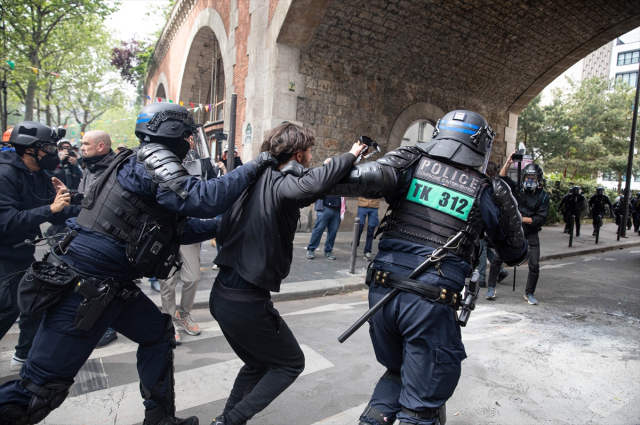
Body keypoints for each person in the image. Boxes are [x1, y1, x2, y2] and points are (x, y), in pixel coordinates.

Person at [0, 103, 277, 425]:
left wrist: (230, 223)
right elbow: (201, 199)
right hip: (85, 286)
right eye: (187, 134)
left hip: (112, 285)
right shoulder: (153, 157)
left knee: (158, 334)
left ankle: (160, 420)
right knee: (38, 393)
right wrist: (259, 163)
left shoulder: (140, 163)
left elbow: (180, 228)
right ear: (171, 131)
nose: (189, 141)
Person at [327, 110, 529, 425]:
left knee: (399, 371)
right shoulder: (485, 189)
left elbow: (347, 180)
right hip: (428, 305)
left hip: (381, 295)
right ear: (480, 145)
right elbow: (515, 253)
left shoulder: (409, 164)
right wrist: (504, 199)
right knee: (421, 408)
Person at [210, 122, 366, 425]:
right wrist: (350, 156)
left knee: (257, 364)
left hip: (224, 296)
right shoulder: (284, 183)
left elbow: (307, 187)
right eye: (309, 152)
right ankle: (229, 422)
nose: (311, 157)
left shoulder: (257, 179)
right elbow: (310, 185)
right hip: (244, 300)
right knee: (290, 363)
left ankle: (225, 418)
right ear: (298, 155)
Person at [0, 122, 81, 372]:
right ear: (29, 150)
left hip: (22, 252)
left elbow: (58, 213)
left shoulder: (37, 175)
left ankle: (23, 357)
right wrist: (50, 209)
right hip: (3, 256)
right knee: (7, 308)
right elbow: (7, 222)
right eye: (47, 147)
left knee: (34, 302)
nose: (53, 153)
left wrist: (89, 209)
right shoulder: (5, 175)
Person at [78, 130, 120, 348]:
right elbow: (85, 198)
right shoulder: (89, 166)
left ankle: (109, 327)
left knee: (106, 285)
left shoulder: (116, 170)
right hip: (87, 233)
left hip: (105, 239)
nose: (82, 147)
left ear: (101, 146)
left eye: (86, 144)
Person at [487, 160, 548, 305]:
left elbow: (541, 218)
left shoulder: (543, 197)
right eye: (527, 177)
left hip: (530, 233)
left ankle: (529, 293)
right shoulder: (517, 189)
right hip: (513, 230)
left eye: (532, 178)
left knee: (534, 264)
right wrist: (508, 162)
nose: (529, 181)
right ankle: (491, 287)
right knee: (498, 258)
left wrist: (524, 219)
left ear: (538, 179)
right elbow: (502, 179)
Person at [476, 161, 508, 287]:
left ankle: (482, 278)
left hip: (485, 219)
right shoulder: (497, 184)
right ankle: (500, 270)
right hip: (493, 220)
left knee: (482, 248)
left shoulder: (487, 184)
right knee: (484, 247)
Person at [306, 191, 342, 260]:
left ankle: (328, 251)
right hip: (324, 207)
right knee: (319, 229)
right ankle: (311, 249)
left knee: (333, 231)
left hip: (337, 208)